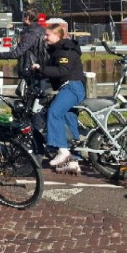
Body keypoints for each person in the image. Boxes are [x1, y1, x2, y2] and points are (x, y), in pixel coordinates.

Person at [31, 23, 86, 170]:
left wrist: (41, 69)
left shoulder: (65, 51)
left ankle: (62, 150)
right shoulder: (58, 49)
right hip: (70, 86)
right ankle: (74, 159)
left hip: (71, 87)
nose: (45, 37)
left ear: (57, 35)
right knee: (69, 119)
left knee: (54, 113)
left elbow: (63, 70)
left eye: (48, 35)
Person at [0, 9, 47, 94]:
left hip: (30, 68)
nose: (22, 20)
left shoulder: (30, 33)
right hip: (39, 66)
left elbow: (17, 53)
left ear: (27, 18)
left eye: (23, 17)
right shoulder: (40, 30)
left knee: (27, 94)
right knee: (26, 94)